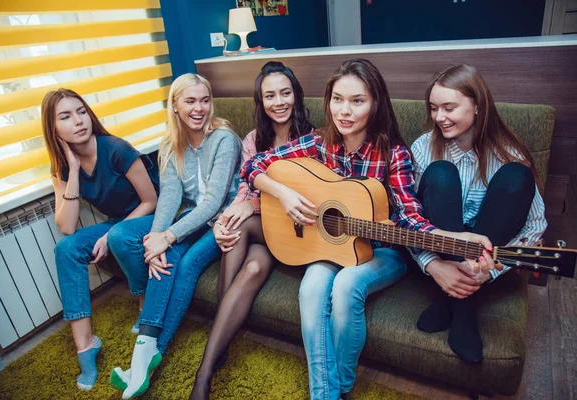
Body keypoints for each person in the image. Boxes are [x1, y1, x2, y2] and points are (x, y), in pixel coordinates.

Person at [240, 59, 497, 400]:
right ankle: (325, 395)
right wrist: (282, 193)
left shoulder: (395, 154)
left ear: (375, 103)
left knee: (346, 286)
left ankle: (341, 386)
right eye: (337, 99)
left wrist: (452, 239)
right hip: (330, 246)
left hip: (384, 251)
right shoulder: (318, 144)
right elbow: (253, 165)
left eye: (357, 101)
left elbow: (408, 217)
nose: (344, 111)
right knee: (311, 289)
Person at [106, 73, 241, 399]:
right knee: (164, 258)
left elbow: (211, 203)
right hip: (187, 218)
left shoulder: (224, 139)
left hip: (221, 219)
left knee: (188, 262)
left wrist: (168, 236)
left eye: (204, 100)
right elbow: (169, 197)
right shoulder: (170, 143)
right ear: (175, 106)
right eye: (190, 101)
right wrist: (155, 241)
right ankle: (143, 358)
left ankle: (152, 352)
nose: (199, 108)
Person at [189, 61, 314, 399]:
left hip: (295, 232)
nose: (279, 102)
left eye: (285, 93)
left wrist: (248, 208)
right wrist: (232, 213)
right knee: (253, 265)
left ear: (296, 95)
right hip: (262, 230)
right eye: (270, 95)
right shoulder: (252, 140)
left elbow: (305, 196)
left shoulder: (313, 140)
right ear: (260, 101)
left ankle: (212, 347)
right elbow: (245, 188)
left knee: (242, 225)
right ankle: (205, 374)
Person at [411, 64, 547, 364]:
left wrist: (486, 272)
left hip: (484, 261)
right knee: (441, 172)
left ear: (477, 106)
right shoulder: (424, 146)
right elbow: (407, 216)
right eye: (434, 108)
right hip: (439, 250)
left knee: (517, 176)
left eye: (449, 107)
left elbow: (535, 225)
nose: (439, 118)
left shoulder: (508, 152)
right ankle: (462, 307)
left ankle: (459, 304)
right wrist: (432, 264)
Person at [42, 89, 158, 390]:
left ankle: (146, 307)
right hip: (119, 222)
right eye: (65, 117)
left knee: (118, 233)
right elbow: (66, 226)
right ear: (52, 128)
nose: (78, 121)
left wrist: (109, 235)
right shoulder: (63, 166)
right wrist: (75, 171)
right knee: (66, 248)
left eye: (81, 111)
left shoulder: (117, 149)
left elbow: (151, 201)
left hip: (149, 216)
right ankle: (86, 345)